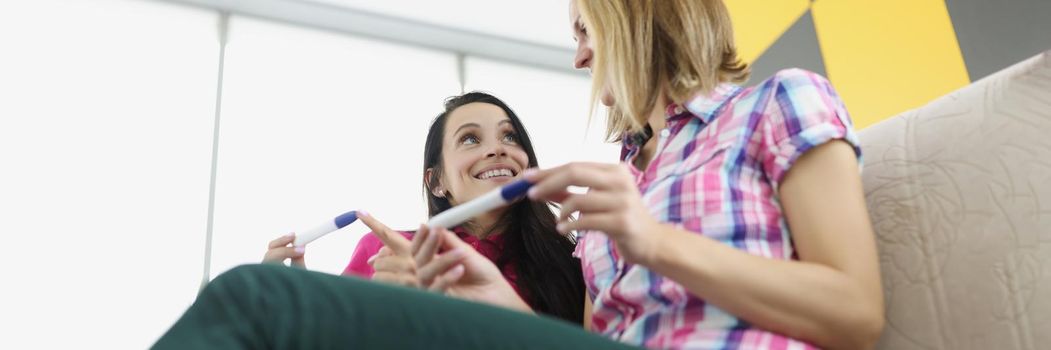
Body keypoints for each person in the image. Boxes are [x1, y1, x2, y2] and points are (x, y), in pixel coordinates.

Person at [155, 1, 884, 349]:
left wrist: (651, 241)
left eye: (579, 30)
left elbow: (855, 312)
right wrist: (498, 301)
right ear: (434, 178)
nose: (576, 58)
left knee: (256, 301)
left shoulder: (775, 102)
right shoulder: (615, 189)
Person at [260, 91, 586, 323]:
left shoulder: (570, 260)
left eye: (510, 137)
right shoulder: (386, 251)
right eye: (470, 139)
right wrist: (294, 306)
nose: (497, 149)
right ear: (436, 182)